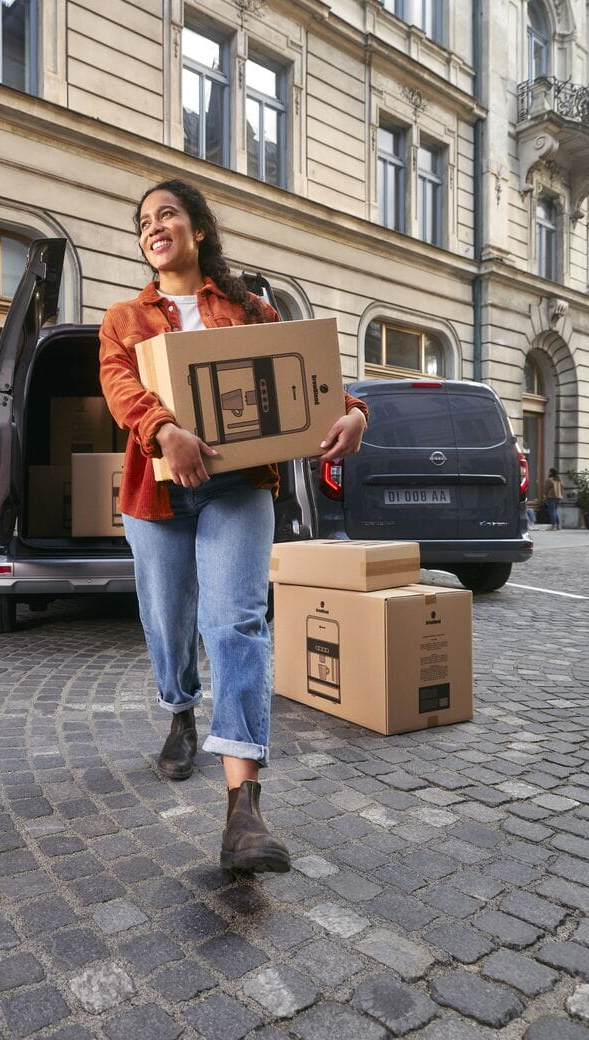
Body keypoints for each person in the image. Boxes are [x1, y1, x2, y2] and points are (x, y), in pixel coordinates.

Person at [99, 179, 368, 874]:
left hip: (239, 485)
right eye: (144, 221)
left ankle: (243, 808)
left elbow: (304, 375)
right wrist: (164, 430)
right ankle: (180, 710)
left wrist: (353, 411)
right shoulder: (125, 318)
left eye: (167, 214)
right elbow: (121, 389)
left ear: (197, 229)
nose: (153, 227)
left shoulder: (249, 308)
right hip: (156, 493)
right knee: (168, 621)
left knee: (237, 624)